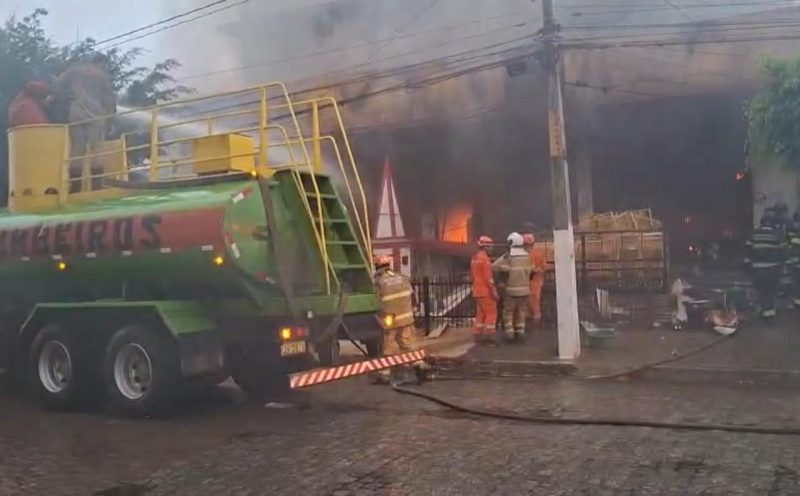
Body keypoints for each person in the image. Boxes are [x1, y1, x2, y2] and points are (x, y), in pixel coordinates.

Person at [50, 53, 117, 192]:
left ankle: (75, 187)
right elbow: (109, 100)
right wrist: (111, 120)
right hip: (96, 116)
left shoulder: (74, 71)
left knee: (77, 150)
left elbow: (56, 85)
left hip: (77, 114)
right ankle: (96, 186)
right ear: (101, 63)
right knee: (96, 150)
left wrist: (61, 96)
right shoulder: (102, 76)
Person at [371, 255, 427, 384]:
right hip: (407, 317)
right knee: (408, 344)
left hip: (391, 319)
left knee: (389, 347)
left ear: (377, 266)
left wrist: (379, 317)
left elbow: (376, 302)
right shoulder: (402, 277)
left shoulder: (379, 282)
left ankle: (385, 373)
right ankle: (419, 364)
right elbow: (413, 296)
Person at [745, 211, 787, 319]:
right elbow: (783, 253)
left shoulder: (753, 234)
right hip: (773, 271)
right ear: (773, 222)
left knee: (762, 293)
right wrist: (782, 267)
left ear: (761, 222)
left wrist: (747, 268)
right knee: (771, 293)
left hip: (758, 271)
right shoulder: (777, 234)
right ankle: (769, 315)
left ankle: (765, 312)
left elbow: (747, 254)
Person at [493, 232, 533, 341]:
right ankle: (520, 332)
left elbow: (495, 267)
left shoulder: (508, 256)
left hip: (511, 290)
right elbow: (531, 271)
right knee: (521, 311)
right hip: (525, 290)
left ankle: (510, 333)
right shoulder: (527, 256)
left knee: (509, 312)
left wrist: (500, 280)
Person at [471, 235, 499, 345]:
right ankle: (489, 337)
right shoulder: (485, 259)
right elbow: (489, 279)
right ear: (486, 247)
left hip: (477, 291)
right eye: (490, 247)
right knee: (491, 314)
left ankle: (478, 336)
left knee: (480, 315)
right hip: (485, 291)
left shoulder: (475, 258)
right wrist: (494, 292)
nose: (491, 249)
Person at [523, 233, 546, 325]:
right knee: (532, 302)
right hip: (532, 281)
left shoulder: (526, 254)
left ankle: (534, 322)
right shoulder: (537, 253)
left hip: (533, 281)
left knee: (532, 302)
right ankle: (533, 321)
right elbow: (544, 267)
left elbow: (543, 267)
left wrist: (535, 270)